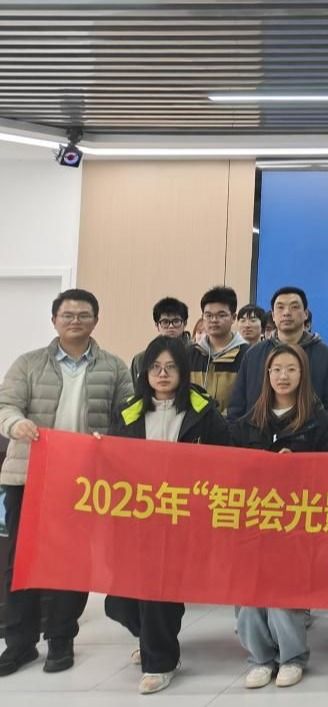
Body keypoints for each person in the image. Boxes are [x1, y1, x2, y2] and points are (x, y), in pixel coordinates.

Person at [0, 289, 132, 677]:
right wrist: (15, 424)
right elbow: (5, 404)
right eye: (68, 315)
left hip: (84, 481)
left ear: (96, 321)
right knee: (20, 561)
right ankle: (19, 643)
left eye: (83, 315)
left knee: (72, 562)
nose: (75, 321)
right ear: (54, 320)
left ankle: (61, 639)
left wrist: (111, 437)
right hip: (29, 476)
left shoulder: (114, 367)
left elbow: (129, 414)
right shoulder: (28, 363)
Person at [104, 336, 230, 694]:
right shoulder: (128, 411)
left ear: (183, 371)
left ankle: (159, 661)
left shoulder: (202, 410)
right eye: (156, 367)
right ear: (145, 372)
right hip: (137, 514)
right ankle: (152, 636)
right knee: (120, 600)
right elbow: (113, 459)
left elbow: (228, 457)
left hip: (182, 514)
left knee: (157, 586)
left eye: (171, 367)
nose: (162, 374)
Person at [229, 343, 328, 689]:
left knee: (283, 591)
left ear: (303, 374)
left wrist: (299, 467)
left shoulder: (319, 422)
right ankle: (259, 658)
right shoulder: (248, 422)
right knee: (249, 592)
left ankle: (291, 657)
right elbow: (230, 470)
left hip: (295, 520)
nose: (283, 376)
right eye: (276, 370)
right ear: (266, 375)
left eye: (291, 369)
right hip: (254, 518)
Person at [228, 287, 328, 425]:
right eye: (280, 307)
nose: (286, 313)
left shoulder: (325, 355)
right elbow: (237, 405)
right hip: (257, 433)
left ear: (305, 314)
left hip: (310, 434)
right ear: (273, 315)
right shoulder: (254, 354)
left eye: (294, 307)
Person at [189, 286, 250, 413]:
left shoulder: (248, 355)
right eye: (208, 315)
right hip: (195, 424)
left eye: (221, 315)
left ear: (233, 317)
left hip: (232, 424)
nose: (214, 320)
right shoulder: (191, 353)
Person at [130, 297, 190, 384]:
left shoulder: (195, 355)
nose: (171, 326)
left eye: (176, 321)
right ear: (157, 325)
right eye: (165, 322)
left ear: (185, 323)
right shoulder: (141, 360)